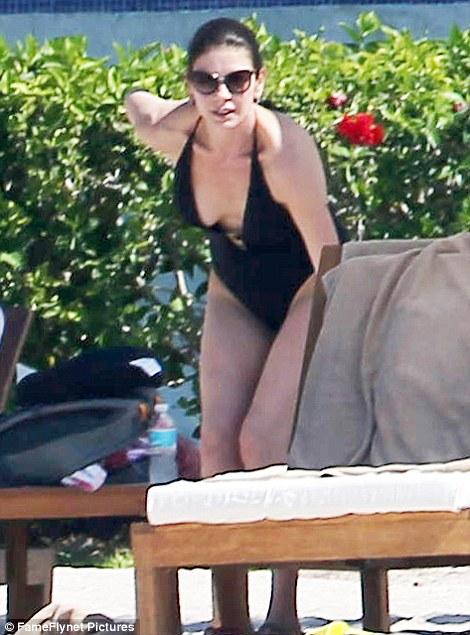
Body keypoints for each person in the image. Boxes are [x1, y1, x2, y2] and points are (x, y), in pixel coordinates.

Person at [126, 17, 341, 635]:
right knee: (218, 446)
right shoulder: (181, 133)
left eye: (237, 81)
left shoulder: (282, 149)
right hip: (236, 290)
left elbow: (331, 262)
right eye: (207, 81)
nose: (223, 95)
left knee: (262, 439)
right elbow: (136, 104)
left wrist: (335, 350)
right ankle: (231, 616)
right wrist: (179, 113)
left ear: (260, 82)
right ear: (190, 84)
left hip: (309, 287)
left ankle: (284, 611)